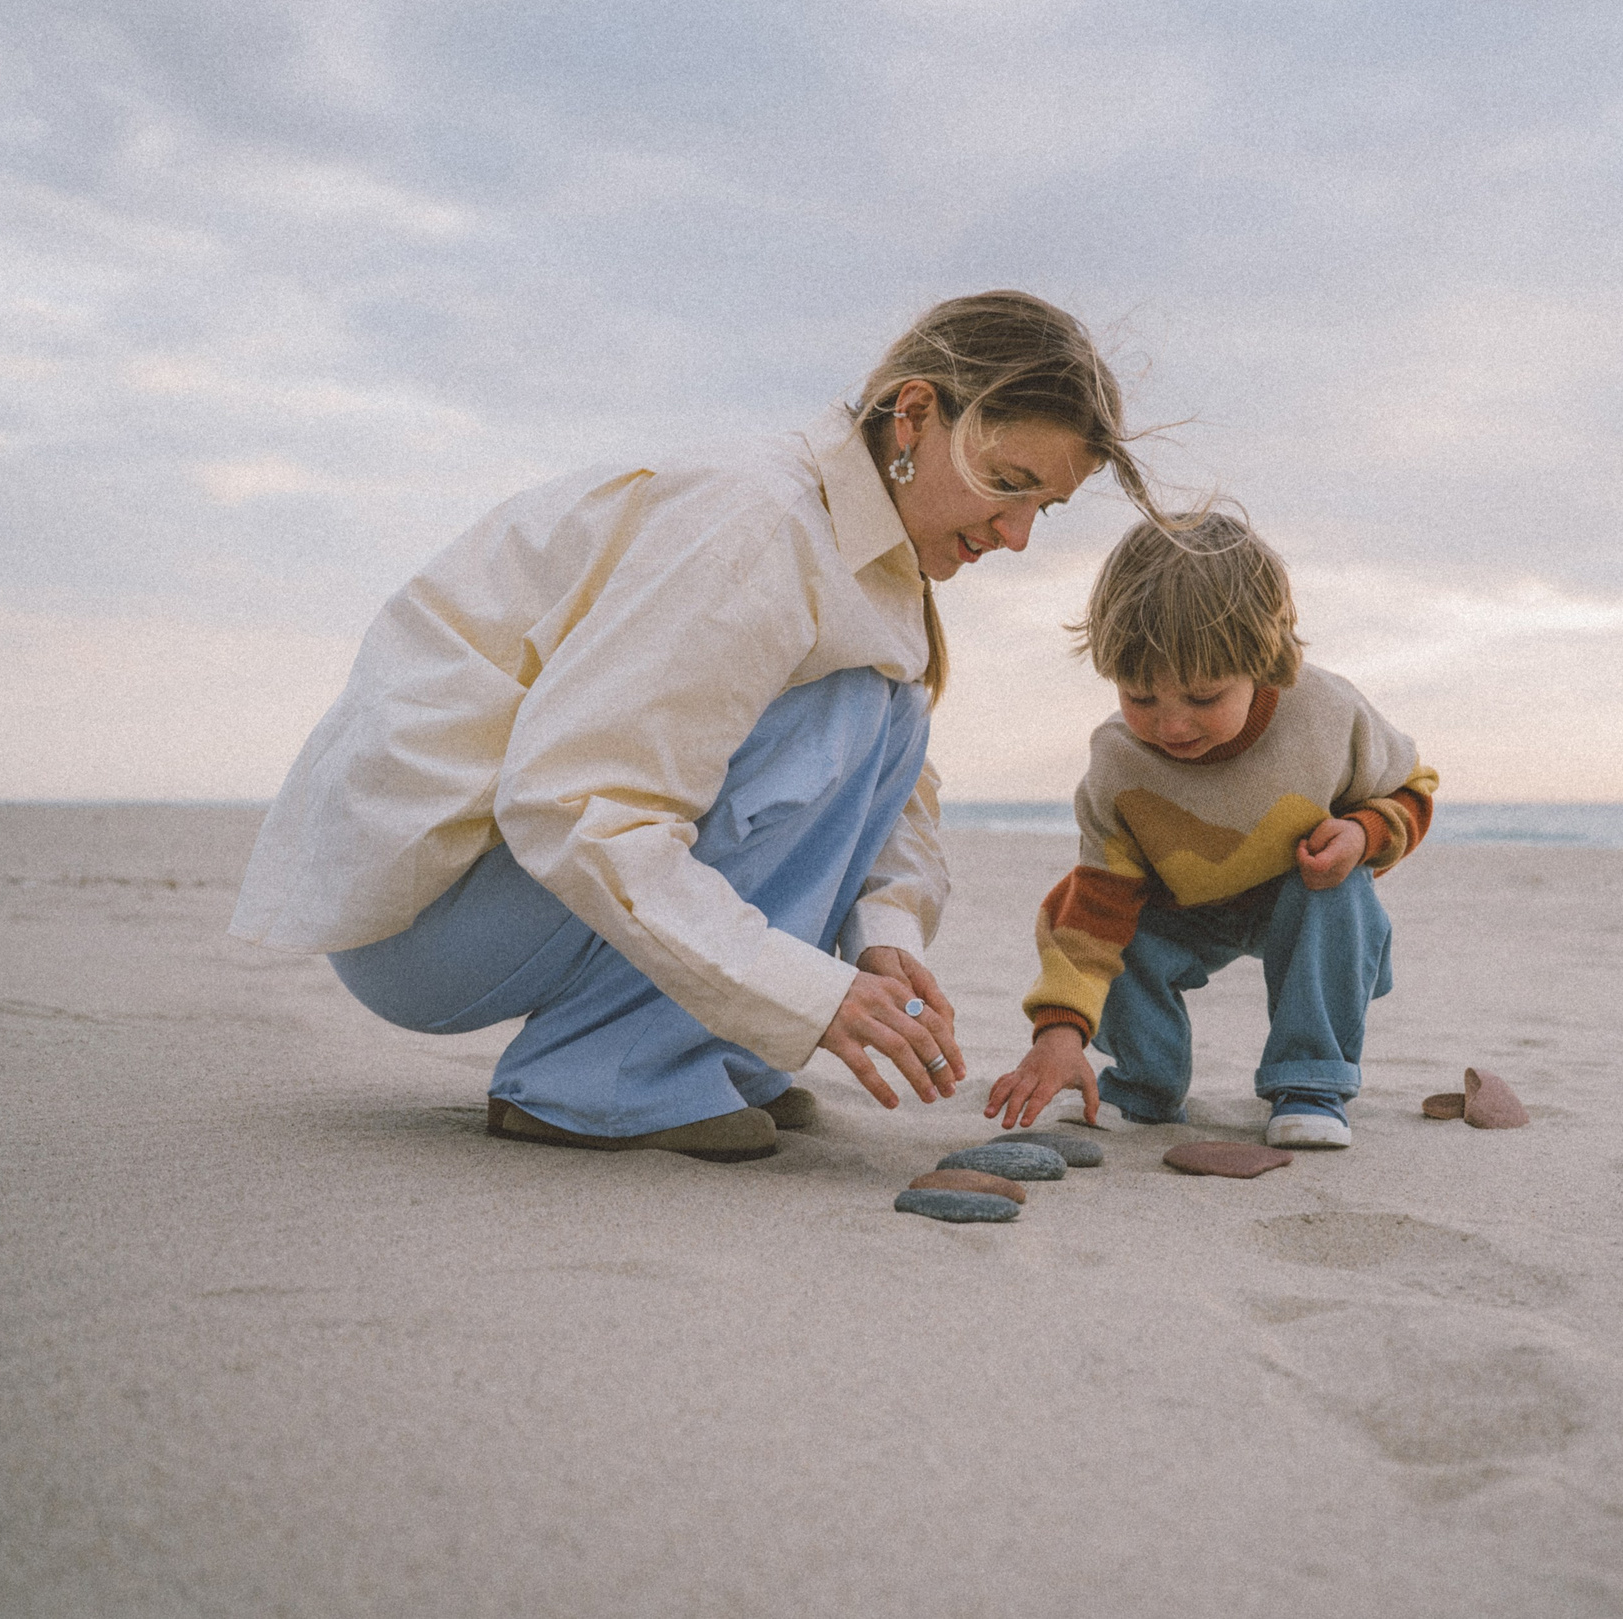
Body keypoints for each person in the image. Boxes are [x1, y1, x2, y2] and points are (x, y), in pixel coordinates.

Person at [229, 292, 1155, 1161]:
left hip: (506, 889)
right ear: (913, 414)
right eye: (1006, 483)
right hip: (426, 916)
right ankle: (604, 1079)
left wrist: (885, 939)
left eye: (1043, 507)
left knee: (887, 713)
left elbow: (893, 791)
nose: (1017, 535)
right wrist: (805, 994)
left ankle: (704, 1050)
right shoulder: (761, 525)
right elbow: (575, 801)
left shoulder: (871, 555)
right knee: (842, 710)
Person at [984, 512, 1438, 1148]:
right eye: (1140, 697)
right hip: (1183, 909)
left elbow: (1412, 789)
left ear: (1265, 659)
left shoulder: (1328, 714)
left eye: (1203, 698)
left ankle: (1310, 1086)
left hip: (1302, 892)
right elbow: (1095, 910)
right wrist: (1059, 1034)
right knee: (1088, 914)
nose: (1171, 725)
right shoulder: (1117, 762)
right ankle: (1144, 1087)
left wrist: (1364, 833)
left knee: (1343, 892)